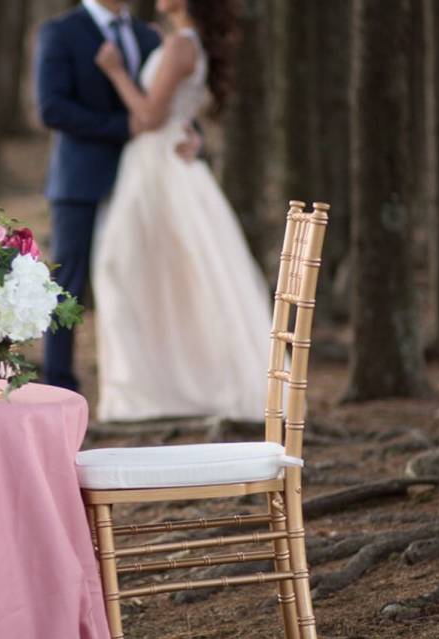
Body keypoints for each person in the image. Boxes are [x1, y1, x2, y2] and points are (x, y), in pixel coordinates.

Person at [92, 0, 272, 422]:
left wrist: (116, 71)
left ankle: (150, 389)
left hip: (158, 163)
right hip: (168, 161)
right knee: (168, 274)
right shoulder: (180, 43)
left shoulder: (180, 47)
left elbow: (152, 116)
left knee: (123, 266)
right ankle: (161, 386)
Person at [35, 0, 200, 392]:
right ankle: (59, 385)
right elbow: (51, 109)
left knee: (141, 278)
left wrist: (193, 134)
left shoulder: (148, 35)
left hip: (144, 180)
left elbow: (167, 99)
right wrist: (122, 126)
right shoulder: (61, 32)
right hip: (80, 181)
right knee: (67, 284)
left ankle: (139, 382)